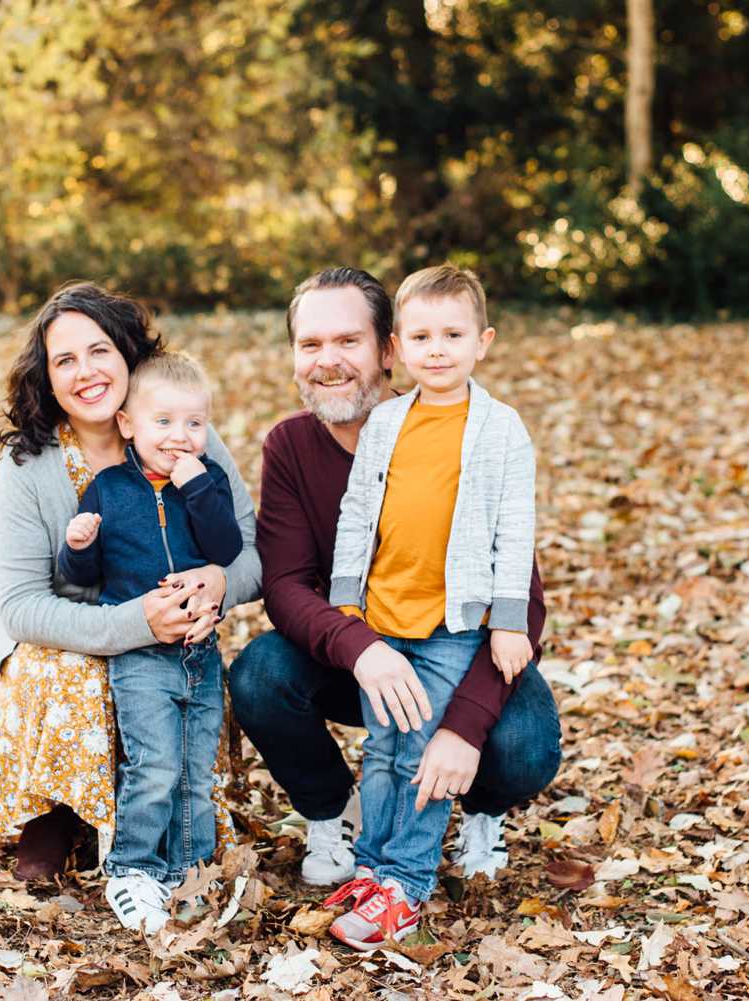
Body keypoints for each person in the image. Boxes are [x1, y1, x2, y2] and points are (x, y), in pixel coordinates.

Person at [229, 266, 559, 893]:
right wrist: (362, 648)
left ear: (387, 351)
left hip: (455, 644)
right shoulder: (292, 446)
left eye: (347, 342)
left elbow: (524, 595)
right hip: (361, 646)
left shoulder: (473, 437)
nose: (328, 361)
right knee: (260, 675)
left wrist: (464, 726)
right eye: (310, 345)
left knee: (523, 744)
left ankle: (478, 812)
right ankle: (336, 816)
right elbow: (287, 586)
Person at [0, 282, 261, 881]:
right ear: (49, 379)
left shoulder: (180, 430)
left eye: (99, 351)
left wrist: (217, 582)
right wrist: (136, 622)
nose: (85, 371)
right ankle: (55, 813)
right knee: (79, 671)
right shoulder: (29, 464)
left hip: (174, 626)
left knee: (178, 670)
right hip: (56, 624)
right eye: (65, 360)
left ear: (127, 355)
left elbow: (250, 548)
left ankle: (162, 819)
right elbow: (21, 606)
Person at [319, 264, 536, 949]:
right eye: (420, 336)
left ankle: (407, 885)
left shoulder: (499, 429)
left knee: (420, 749)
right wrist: (345, 598)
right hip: (385, 613)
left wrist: (507, 617)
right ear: (397, 350)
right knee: (382, 749)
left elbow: (516, 526)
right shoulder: (386, 421)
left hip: (451, 625)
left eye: (452, 334)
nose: (436, 348)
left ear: (483, 341)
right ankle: (372, 867)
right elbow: (358, 511)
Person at [57, 352, 241, 932]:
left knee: (193, 766)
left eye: (194, 424)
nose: (180, 436)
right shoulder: (109, 490)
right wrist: (80, 545)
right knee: (155, 762)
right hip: (138, 652)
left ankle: (187, 869)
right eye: (163, 422)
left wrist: (200, 491)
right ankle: (132, 867)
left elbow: (227, 548)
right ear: (129, 425)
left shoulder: (205, 482)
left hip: (199, 650)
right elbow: (81, 581)